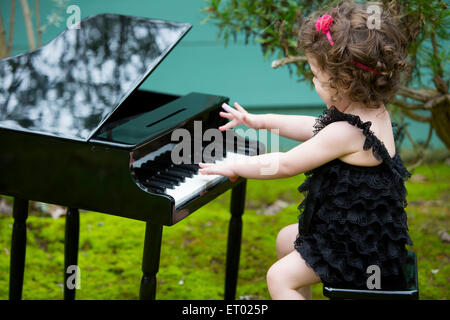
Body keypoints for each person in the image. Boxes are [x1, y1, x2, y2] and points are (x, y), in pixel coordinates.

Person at [199, 0, 413, 300]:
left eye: (316, 76)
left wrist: (236, 167)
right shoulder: (373, 112)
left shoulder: (346, 132)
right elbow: (312, 126)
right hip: (357, 234)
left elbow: (285, 164)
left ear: (343, 82)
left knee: (278, 278)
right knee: (286, 239)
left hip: (359, 250)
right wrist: (260, 121)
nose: (313, 81)